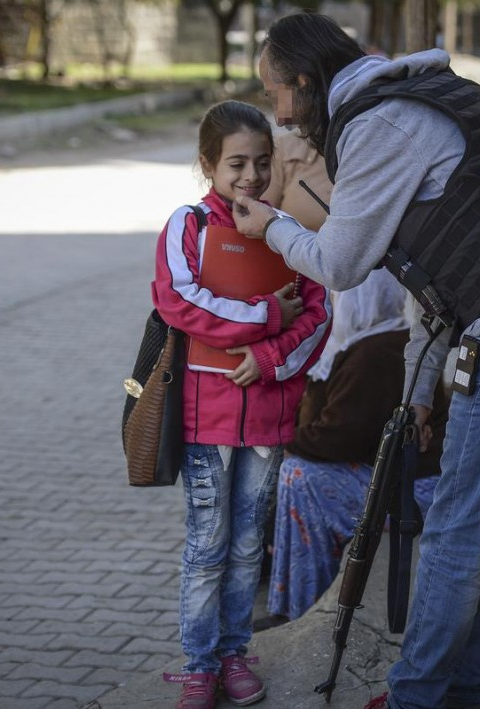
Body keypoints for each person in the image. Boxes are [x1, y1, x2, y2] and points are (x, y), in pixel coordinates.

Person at [232, 13, 480, 709]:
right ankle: (468, 690)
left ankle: (415, 695)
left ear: (306, 83)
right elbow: (430, 273)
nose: (279, 118)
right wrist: (422, 388)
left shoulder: (379, 125)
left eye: (276, 95)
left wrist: (274, 226)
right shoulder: (427, 94)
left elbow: (341, 262)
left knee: (456, 533)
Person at [151, 99, 331, 709]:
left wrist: (272, 357)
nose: (250, 176)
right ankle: (199, 664)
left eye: (260, 163)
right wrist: (263, 315)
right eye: (235, 164)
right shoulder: (188, 227)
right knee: (208, 545)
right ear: (207, 165)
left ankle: (234, 655)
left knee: (250, 545)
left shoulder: (288, 233)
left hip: (270, 417)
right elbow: (181, 300)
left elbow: (317, 313)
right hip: (207, 420)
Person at [266, 268, 448, 623]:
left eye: (341, 297)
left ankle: (303, 607)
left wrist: (280, 441)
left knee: (300, 477)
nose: (334, 303)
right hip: (393, 472)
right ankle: (291, 603)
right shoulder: (372, 340)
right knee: (296, 470)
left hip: (416, 489)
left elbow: (340, 438)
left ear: (362, 301)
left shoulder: (377, 351)